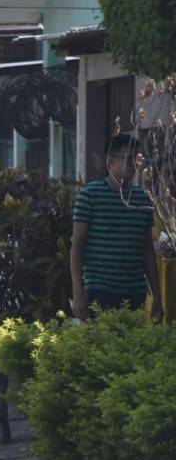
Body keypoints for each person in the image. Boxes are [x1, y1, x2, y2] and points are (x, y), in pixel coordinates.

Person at [70, 134, 161, 320]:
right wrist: (78, 292)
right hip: (100, 289)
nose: (132, 165)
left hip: (135, 291)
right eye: (127, 159)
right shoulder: (90, 196)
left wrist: (157, 296)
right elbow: (77, 247)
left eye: (136, 160)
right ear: (110, 162)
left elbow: (147, 252)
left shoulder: (142, 199)